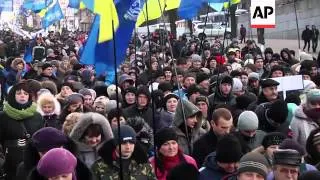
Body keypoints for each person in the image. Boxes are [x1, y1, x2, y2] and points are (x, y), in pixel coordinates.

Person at [0, 81, 44, 179]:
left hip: (32, 162)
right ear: (12, 95)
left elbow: (41, 139)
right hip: (9, 162)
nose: (22, 96)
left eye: (25, 93)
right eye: (19, 93)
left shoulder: (37, 116)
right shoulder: (3, 116)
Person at [91, 125, 156, 180]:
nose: (128, 147)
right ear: (115, 144)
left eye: (131, 142)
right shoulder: (99, 167)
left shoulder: (144, 164)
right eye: (123, 143)